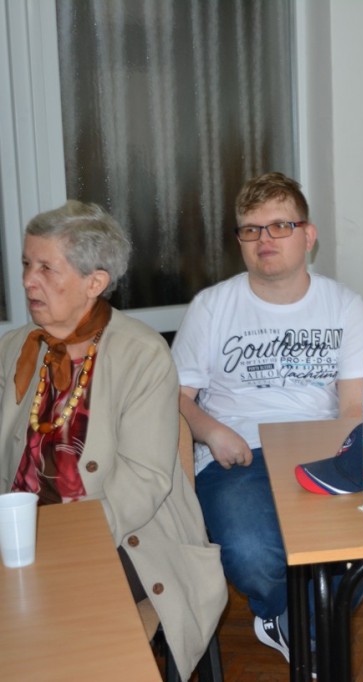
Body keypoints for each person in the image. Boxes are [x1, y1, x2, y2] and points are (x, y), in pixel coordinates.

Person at [0, 201, 227, 676]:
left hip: (123, 536)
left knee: (44, 610)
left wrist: (62, 540)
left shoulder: (142, 354)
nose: (28, 281)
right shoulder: (15, 348)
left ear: (94, 282)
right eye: (26, 264)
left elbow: (143, 481)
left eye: (46, 268)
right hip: (23, 533)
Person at [171, 172, 363, 659]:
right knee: (252, 555)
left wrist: (343, 461)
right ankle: (294, 619)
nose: (264, 239)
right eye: (251, 229)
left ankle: (299, 624)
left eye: (280, 226)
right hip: (238, 455)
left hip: (321, 450)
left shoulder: (344, 306)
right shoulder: (212, 307)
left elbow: (353, 406)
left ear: (309, 236)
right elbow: (173, 396)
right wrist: (210, 431)